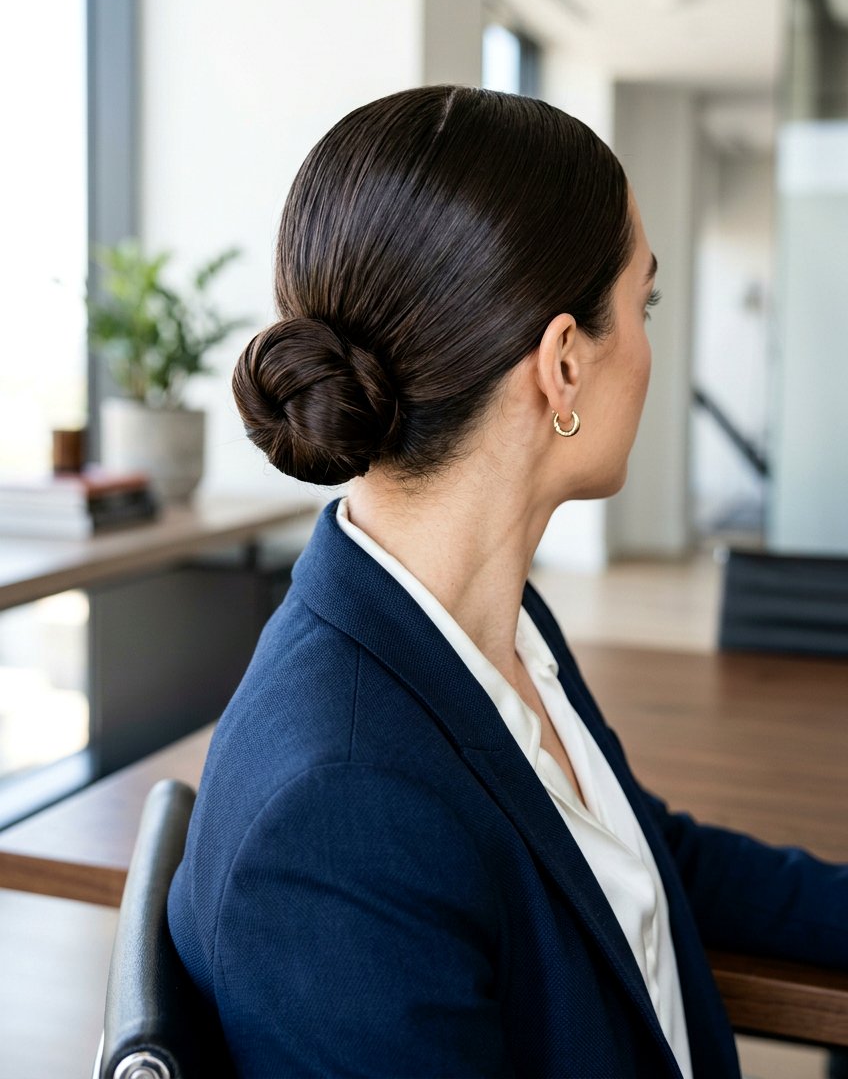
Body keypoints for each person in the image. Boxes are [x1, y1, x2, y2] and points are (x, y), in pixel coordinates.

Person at [168, 86, 847, 1078]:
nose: (650, 346)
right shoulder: (342, 817)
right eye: (641, 304)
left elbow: (637, 848)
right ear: (562, 366)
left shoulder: (485, 621)